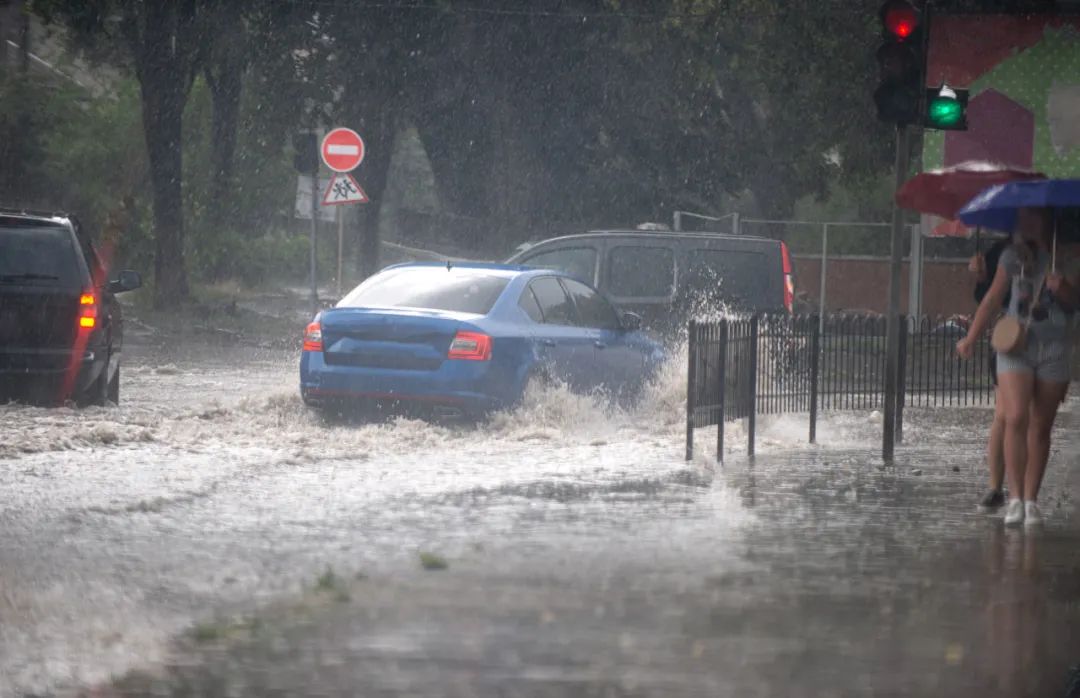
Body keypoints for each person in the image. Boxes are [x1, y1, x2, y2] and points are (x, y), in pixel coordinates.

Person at [957, 207, 1079, 526]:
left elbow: (1074, 303)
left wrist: (1062, 288)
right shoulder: (1012, 255)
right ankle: (1013, 499)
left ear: (1047, 218)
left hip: (1054, 346)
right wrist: (970, 338)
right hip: (1015, 343)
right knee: (1014, 416)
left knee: (1040, 426)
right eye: (1021, 216)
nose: (1023, 222)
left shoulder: (1069, 254)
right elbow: (993, 299)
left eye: (1031, 215)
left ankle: (1030, 500)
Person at [968, 235, 1011, 511]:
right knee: (1007, 415)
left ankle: (1024, 492)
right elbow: (987, 298)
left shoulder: (1061, 246)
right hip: (1010, 336)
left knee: (1035, 421)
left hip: (1049, 339)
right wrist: (983, 276)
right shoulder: (1003, 251)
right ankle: (996, 486)